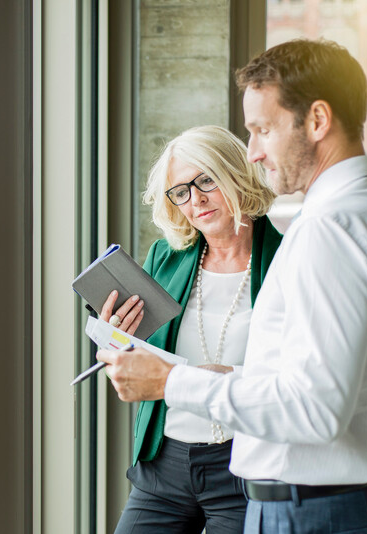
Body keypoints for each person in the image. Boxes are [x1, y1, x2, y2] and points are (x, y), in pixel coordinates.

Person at [98, 38, 367, 533]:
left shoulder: (330, 231)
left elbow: (313, 407)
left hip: (314, 511)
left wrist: (170, 381)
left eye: (262, 129)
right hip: (339, 501)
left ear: (316, 120)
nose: (253, 152)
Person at [101, 124, 281, 533]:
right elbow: (137, 352)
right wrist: (118, 334)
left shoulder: (285, 259)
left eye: (206, 181)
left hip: (245, 467)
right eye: (180, 191)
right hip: (165, 463)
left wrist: (230, 377)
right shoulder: (165, 257)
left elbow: (298, 375)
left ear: (237, 174)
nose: (195, 199)